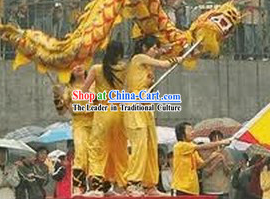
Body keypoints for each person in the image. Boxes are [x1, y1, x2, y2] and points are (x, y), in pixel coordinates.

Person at [124, 35, 183, 196]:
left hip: (146, 107)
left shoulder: (147, 67)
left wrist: (168, 49)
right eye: (154, 48)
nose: (156, 51)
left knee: (151, 146)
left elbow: (160, 58)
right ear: (144, 48)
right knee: (140, 145)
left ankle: (149, 185)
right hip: (133, 106)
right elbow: (163, 63)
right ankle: (133, 182)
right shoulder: (138, 58)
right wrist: (175, 59)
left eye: (157, 48)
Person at [81, 41, 128, 196]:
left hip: (103, 113)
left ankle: (96, 188)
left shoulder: (96, 69)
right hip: (120, 114)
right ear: (120, 54)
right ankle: (120, 185)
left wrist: (95, 98)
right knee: (118, 150)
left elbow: (84, 91)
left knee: (97, 149)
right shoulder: (124, 68)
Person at [53, 65, 94, 195]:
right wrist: (57, 97)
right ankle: (79, 186)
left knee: (96, 155)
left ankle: (99, 186)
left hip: (96, 123)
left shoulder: (94, 84)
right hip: (80, 124)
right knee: (81, 152)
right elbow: (61, 111)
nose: (78, 67)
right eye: (74, 65)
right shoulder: (69, 89)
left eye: (81, 63)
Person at [171, 122, 231, 196]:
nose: (192, 132)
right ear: (182, 133)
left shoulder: (192, 148)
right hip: (181, 188)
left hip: (193, 189)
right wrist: (221, 142)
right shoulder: (179, 146)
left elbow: (201, 165)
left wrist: (211, 157)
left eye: (192, 130)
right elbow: (202, 147)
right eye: (189, 130)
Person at [201, 130, 234, 199]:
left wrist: (224, 161)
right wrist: (215, 163)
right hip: (210, 190)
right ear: (211, 142)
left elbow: (229, 172)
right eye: (215, 140)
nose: (218, 142)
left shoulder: (226, 153)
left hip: (224, 189)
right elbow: (205, 173)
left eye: (220, 139)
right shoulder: (206, 154)